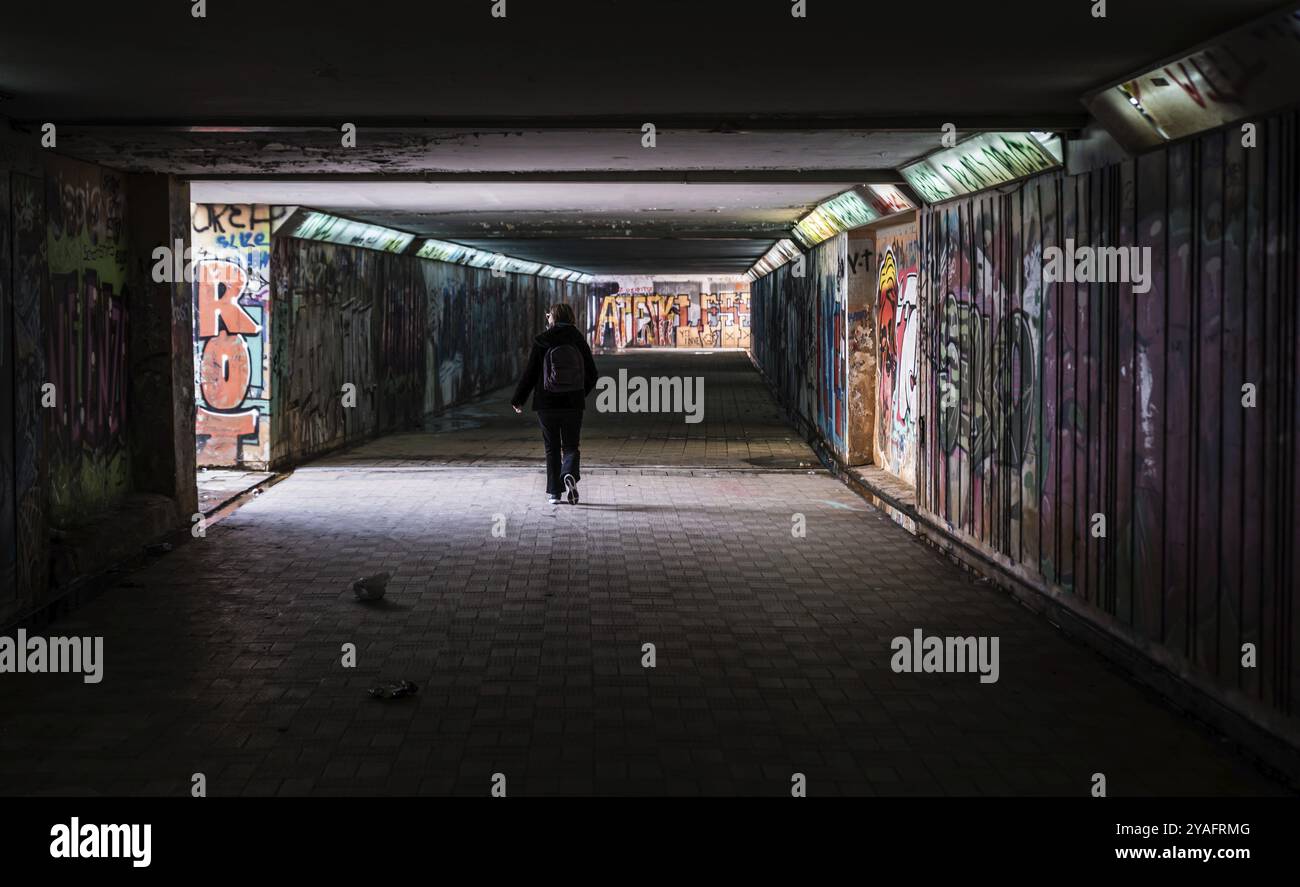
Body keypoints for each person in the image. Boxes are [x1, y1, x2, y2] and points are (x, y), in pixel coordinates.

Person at [511, 303, 599, 505]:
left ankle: (554, 493)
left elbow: (531, 374)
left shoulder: (542, 341)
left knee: (551, 448)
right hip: (572, 404)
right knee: (570, 445)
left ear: (552, 317)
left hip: (546, 404)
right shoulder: (578, 340)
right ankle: (568, 473)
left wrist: (518, 399)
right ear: (570, 318)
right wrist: (579, 393)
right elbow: (593, 374)